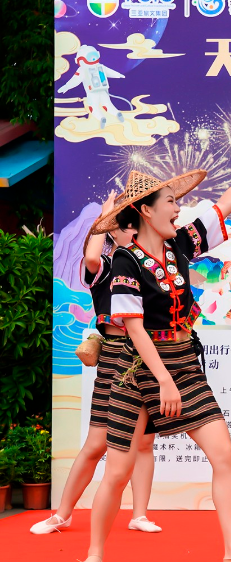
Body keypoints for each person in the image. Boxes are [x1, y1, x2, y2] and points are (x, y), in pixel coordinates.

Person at [71, 134, 231, 562]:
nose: (179, 208)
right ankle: (94, 553)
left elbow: (222, 208)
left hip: (184, 363)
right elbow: (134, 328)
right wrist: (164, 382)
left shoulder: (181, 245)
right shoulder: (125, 261)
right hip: (136, 372)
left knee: (223, 454)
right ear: (145, 211)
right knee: (118, 471)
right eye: (171, 202)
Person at [31, 193, 161, 536]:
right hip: (115, 357)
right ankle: (62, 514)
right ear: (112, 231)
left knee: (144, 443)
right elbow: (90, 256)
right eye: (123, 225)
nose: (132, 231)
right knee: (95, 444)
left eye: (134, 225)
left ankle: (140, 514)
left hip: (148, 357)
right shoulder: (106, 265)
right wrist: (103, 217)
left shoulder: (151, 267)